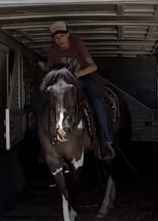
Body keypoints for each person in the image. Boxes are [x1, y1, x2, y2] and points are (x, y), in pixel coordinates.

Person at [45, 20, 116, 160]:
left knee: (97, 100)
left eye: (62, 36)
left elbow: (93, 67)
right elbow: (51, 70)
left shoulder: (77, 44)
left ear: (68, 34)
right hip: (63, 83)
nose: (60, 40)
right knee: (44, 103)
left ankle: (106, 140)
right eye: (56, 37)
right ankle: (46, 144)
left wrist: (77, 74)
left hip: (83, 78)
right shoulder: (53, 50)